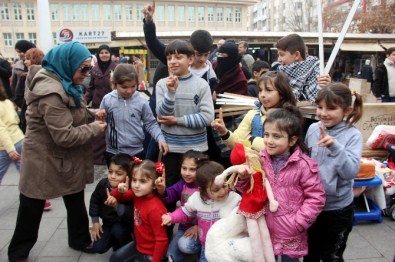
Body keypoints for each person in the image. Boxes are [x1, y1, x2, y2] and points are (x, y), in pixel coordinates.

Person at [8, 41, 107, 262]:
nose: (86, 74)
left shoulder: (63, 81)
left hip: (62, 157)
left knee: (74, 196)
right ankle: (18, 253)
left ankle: (79, 239)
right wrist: (94, 128)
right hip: (43, 159)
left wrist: (91, 113)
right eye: (82, 69)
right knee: (31, 206)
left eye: (89, 68)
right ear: (67, 63)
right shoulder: (51, 91)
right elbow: (64, 135)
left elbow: (72, 111)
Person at [239, 105, 326, 261]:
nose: (269, 141)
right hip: (264, 228)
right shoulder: (260, 159)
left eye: (276, 136)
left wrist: (299, 223)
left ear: (292, 140)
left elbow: (316, 198)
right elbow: (251, 189)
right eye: (266, 135)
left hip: (290, 232)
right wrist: (244, 179)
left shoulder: (303, 165)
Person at [304, 83, 364, 262]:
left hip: (338, 208)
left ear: (347, 110)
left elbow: (350, 172)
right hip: (313, 205)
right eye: (320, 107)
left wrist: (334, 146)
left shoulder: (353, 135)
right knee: (310, 253)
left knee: (332, 256)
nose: (323, 113)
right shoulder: (313, 128)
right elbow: (307, 162)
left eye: (331, 108)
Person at [155, 39, 214, 189]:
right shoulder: (162, 84)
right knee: (170, 189)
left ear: (190, 59)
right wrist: (171, 92)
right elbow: (161, 115)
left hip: (196, 149)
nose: (173, 62)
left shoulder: (201, 85)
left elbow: (207, 117)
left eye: (178, 57)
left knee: (198, 189)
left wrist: (177, 120)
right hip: (171, 149)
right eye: (169, 58)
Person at [161, 161, 242, 262]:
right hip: (207, 246)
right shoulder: (197, 199)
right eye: (216, 190)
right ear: (203, 190)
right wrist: (171, 217)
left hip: (227, 245)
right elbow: (184, 212)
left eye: (224, 185)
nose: (222, 191)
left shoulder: (234, 198)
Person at [97, 64, 168, 166]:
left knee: (135, 181)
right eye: (124, 87)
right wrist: (99, 117)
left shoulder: (141, 101)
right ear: (115, 84)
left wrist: (160, 139)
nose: (129, 91)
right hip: (114, 152)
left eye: (133, 86)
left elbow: (150, 123)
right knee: (116, 180)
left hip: (137, 151)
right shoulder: (108, 100)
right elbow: (101, 122)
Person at [212, 71, 296, 152]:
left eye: (268, 90)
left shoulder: (289, 117)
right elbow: (236, 143)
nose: (262, 95)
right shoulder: (253, 113)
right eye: (260, 90)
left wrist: (251, 140)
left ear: (282, 93)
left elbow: (278, 148)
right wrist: (224, 132)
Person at [109, 158, 169, 262]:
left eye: (142, 181)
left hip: (151, 252)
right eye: (134, 180)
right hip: (138, 245)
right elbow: (116, 196)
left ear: (155, 184)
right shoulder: (137, 195)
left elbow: (162, 240)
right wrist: (119, 190)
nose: (136, 185)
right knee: (114, 259)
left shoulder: (155, 208)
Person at [155, 150, 209, 261]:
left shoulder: (207, 187)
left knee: (186, 246)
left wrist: (199, 227)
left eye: (192, 169)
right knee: (171, 256)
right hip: (184, 228)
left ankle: (202, 248)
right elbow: (170, 195)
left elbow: (214, 212)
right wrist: (162, 190)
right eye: (184, 168)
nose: (187, 173)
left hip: (205, 228)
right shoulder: (182, 184)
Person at [89, 153, 134, 254]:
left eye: (118, 173)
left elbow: (132, 215)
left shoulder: (132, 190)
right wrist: (95, 221)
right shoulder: (103, 184)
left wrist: (117, 206)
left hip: (125, 224)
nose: (112, 176)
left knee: (118, 231)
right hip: (108, 223)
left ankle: (128, 246)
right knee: (98, 248)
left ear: (128, 176)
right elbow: (94, 201)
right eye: (110, 172)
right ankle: (114, 241)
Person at [84, 44, 118, 164]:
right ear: (98, 54)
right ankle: (98, 158)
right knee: (99, 131)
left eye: (106, 52)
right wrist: (84, 100)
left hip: (113, 104)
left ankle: (111, 156)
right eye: (101, 53)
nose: (104, 55)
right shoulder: (94, 69)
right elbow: (91, 88)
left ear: (110, 54)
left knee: (112, 130)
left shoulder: (116, 68)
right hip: (97, 105)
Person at [275, 33, 321, 102]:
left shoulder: (319, 73)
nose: (278, 60)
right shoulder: (278, 77)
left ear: (296, 55)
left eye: (282, 55)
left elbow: (322, 100)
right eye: (278, 55)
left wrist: (326, 86)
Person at [14, 48, 45, 133]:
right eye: (25, 59)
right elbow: (17, 97)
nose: (25, 62)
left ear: (36, 59)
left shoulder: (46, 77)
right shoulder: (24, 77)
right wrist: (29, 105)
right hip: (28, 117)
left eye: (27, 59)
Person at [0, 83, 23, 185]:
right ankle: (41, 200)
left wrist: (10, 150)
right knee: (26, 174)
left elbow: (1, 130)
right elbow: (17, 120)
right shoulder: (8, 102)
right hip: (19, 139)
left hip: (5, 146)